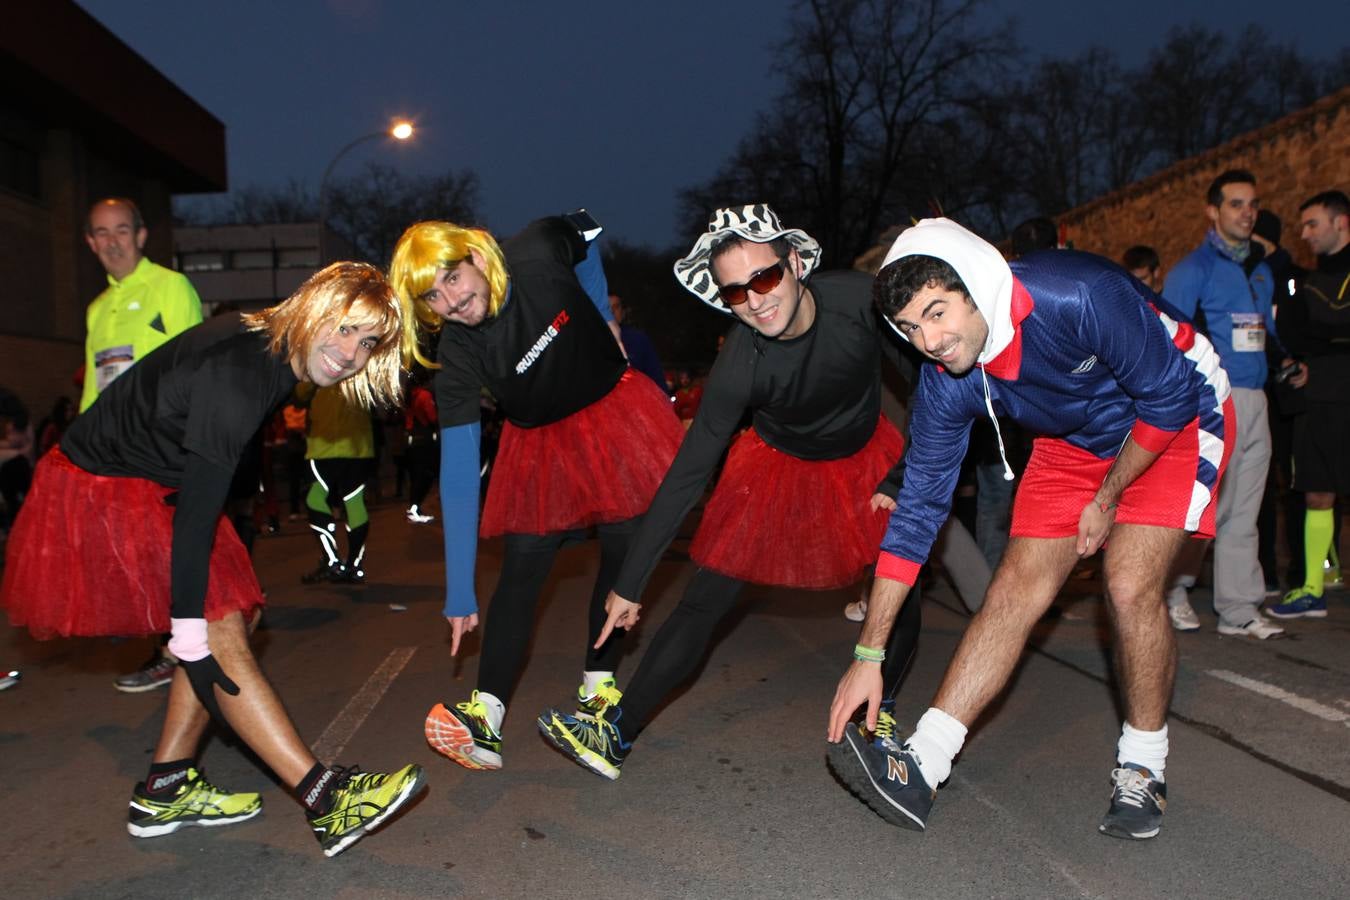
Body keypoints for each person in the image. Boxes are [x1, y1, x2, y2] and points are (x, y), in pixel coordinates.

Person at [826, 217, 1232, 841]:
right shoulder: (946, 381)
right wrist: (868, 654)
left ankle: (1144, 765)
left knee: (1128, 584)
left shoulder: (1076, 293)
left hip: (1174, 413)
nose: (929, 341)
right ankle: (923, 765)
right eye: (910, 328)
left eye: (937, 313)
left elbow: (1169, 397)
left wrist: (1107, 495)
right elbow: (915, 518)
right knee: (1013, 589)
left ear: (975, 285)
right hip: (1074, 441)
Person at [0, 262, 425, 857]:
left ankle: (167, 785)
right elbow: (199, 514)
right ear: (314, 308)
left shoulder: (275, 351)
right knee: (217, 627)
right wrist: (188, 637)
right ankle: (327, 800)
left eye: (369, 342)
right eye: (345, 327)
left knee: (235, 615)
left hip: (154, 481)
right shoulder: (244, 369)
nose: (351, 352)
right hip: (103, 486)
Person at [536, 204, 940, 781]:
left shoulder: (859, 301)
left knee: (902, 587)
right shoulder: (740, 362)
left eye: (765, 277)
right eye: (735, 292)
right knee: (705, 597)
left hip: (865, 460)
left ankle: (882, 716)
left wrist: (902, 475)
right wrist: (631, 582)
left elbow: (932, 383)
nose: (755, 301)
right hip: (778, 467)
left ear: (794, 263)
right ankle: (614, 735)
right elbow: (688, 472)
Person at [389, 213, 684, 772]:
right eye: (432, 297)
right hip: (539, 443)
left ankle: (598, 688)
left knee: (623, 550)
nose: (451, 302)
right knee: (522, 567)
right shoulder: (458, 352)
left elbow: (589, 234)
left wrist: (604, 317)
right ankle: (485, 718)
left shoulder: (536, 251)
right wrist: (459, 592)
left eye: (452, 279)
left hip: (613, 414)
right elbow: (458, 471)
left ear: (477, 258)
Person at [1160, 170, 1291, 639]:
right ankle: (1171, 591)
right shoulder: (1192, 270)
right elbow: (1168, 337)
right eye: (1236, 204)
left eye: (1253, 204)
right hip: (1214, 400)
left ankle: (1238, 609)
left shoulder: (1260, 269)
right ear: (1213, 211)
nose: (1247, 213)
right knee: (1204, 505)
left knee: (1245, 509)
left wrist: (1285, 362)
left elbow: (1266, 333)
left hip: (1257, 398)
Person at [82, 197, 206, 692]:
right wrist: (78, 451)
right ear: (90, 243)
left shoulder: (170, 286)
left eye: (121, 230)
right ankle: (176, 650)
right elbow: (94, 387)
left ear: (140, 235)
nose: (112, 241)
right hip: (116, 453)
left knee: (173, 554)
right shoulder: (97, 308)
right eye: (101, 233)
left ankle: (186, 650)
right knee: (141, 556)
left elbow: (195, 365)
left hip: (163, 447)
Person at [1267, 190, 1350, 619]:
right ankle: (1314, 586)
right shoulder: (1304, 281)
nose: (1305, 234)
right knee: (1316, 493)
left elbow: (1329, 321)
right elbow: (1293, 332)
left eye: (1312, 224)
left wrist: (1320, 337)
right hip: (1315, 402)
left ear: (1341, 222)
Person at [299, 384, 376, 584]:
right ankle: (352, 565)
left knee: (316, 500)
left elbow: (300, 392)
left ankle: (334, 561)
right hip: (356, 444)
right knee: (353, 502)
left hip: (325, 443)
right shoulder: (366, 364)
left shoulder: (317, 363)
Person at [608, 293, 668, 392]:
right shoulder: (592, 340)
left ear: (623, 312)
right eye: (607, 308)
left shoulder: (638, 339)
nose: (611, 311)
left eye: (616, 307)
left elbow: (655, 375)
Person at [404, 370, 439, 524]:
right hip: (425, 439)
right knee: (427, 475)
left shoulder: (409, 396)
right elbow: (432, 417)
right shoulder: (424, 395)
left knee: (416, 475)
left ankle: (414, 507)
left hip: (412, 439)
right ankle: (415, 507)